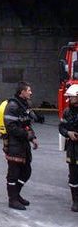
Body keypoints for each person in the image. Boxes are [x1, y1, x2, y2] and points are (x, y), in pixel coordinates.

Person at [2, 81, 38, 210]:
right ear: (22, 92)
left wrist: (32, 137)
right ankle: (12, 200)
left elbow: (26, 124)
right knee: (13, 173)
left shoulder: (24, 105)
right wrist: (27, 135)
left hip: (23, 145)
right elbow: (11, 127)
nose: (30, 92)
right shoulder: (12, 105)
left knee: (26, 171)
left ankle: (16, 195)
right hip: (13, 145)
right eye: (28, 90)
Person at [58, 84, 78, 212]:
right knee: (73, 176)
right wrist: (68, 133)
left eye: (71, 97)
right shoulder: (67, 112)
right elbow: (61, 127)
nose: (69, 100)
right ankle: (75, 201)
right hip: (72, 147)